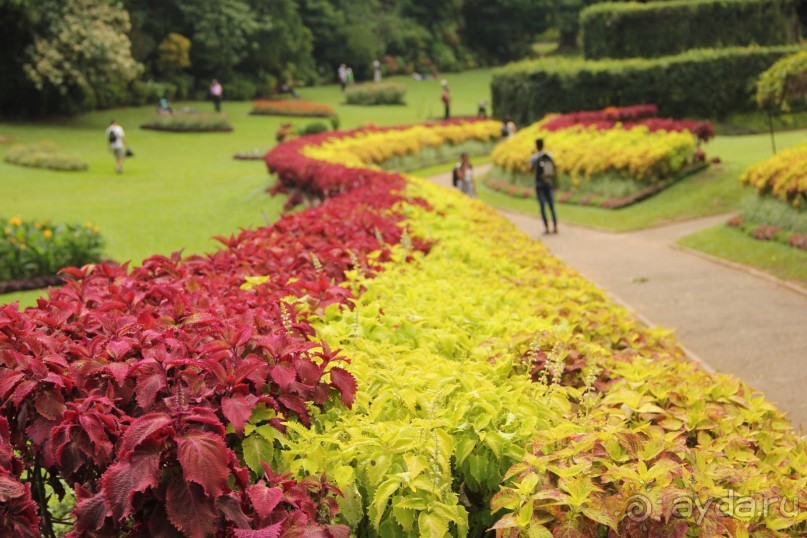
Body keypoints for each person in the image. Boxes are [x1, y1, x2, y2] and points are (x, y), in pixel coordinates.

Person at [529, 138, 558, 234]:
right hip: (548, 182)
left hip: (539, 184)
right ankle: (555, 227)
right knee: (551, 205)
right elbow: (554, 168)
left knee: (542, 206)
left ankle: (546, 228)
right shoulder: (549, 155)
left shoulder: (534, 157)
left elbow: (530, 170)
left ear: (536, 146)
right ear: (543, 145)